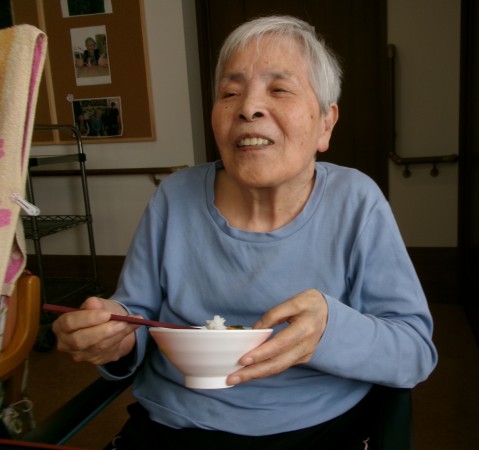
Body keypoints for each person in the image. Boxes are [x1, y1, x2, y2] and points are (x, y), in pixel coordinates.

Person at [52, 15, 437, 449]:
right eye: (230, 93)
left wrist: (330, 332)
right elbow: (136, 317)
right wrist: (112, 336)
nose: (248, 108)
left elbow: (414, 351)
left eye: (279, 89)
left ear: (325, 124)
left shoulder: (356, 201)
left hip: (316, 431)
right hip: (173, 428)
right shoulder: (175, 196)